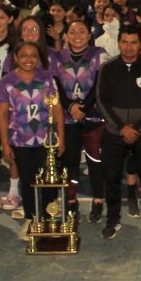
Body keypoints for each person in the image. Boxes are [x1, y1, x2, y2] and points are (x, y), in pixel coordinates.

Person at [95, 25, 141, 240]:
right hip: (114, 135)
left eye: (133, 42)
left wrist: (137, 128)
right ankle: (112, 220)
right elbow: (101, 101)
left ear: (140, 44)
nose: (129, 47)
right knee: (112, 179)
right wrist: (121, 127)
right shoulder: (107, 68)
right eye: (124, 42)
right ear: (118, 43)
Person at [0, 41, 65, 240]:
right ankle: (30, 219)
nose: (29, 59)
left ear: (39, 58)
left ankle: (48, 219)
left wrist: (61, 138)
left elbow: (57, 109)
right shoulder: (6, 82)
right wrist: (5, 143)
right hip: (20, 141)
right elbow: (1, 115)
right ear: (15, 58)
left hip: (47, 141)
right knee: (27, 182)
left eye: (33, 55)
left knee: (48, 181)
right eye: (24, 55)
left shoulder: (47, 79)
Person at [54, 19, 109, 224]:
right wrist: (70, 107)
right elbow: (56, 87)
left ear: (89, 35)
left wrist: (82, 108)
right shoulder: (57, 58)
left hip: (93, 115)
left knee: (95, 160)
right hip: (67, 118)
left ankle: (97, 199)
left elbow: (100, 84)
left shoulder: (99, 53)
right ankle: (70, 201)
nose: (77, 35)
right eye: (73, 32)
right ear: (66, 35)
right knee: (70, 161)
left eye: (82, 31)